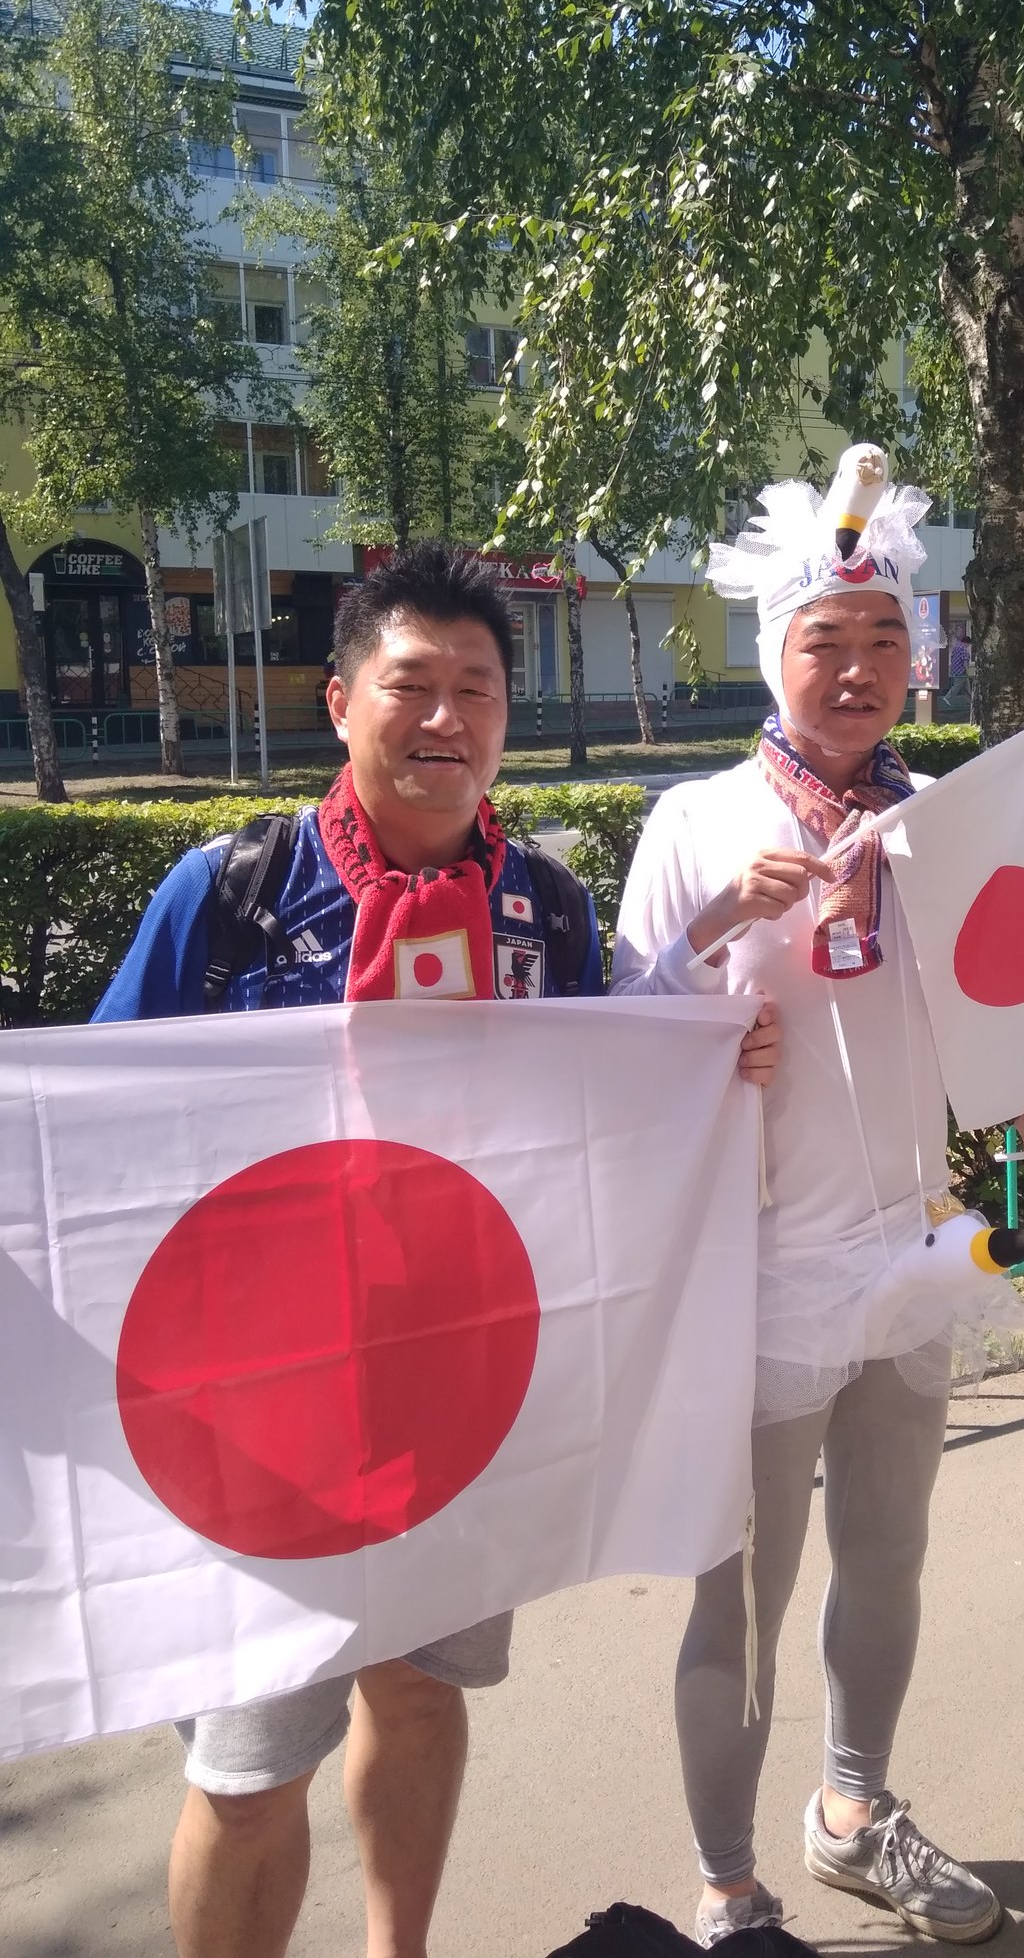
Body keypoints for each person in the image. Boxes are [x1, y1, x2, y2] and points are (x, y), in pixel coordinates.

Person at [92, 540, 780, 1958]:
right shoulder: (232, 892)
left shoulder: (546, 905)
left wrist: (708, 1061)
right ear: (340, 702)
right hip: (257, 1420)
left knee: (418, 1692)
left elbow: (601, 1113)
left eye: (478, 687)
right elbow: (93, 1126)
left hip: (457, 1398)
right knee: (248, 1765)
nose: (446, 717)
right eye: (411, 682)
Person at [611, 449, 1024, 1949]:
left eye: (884, 638)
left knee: (889, 1554)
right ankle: (727, 1882)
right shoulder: (696, 824)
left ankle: (852, 1810)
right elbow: (615, 1044)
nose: (856, 669)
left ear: (920, 654)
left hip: (911, 1250)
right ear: (772, 655)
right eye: (824, 642)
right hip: (757, 1270)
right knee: (743, 1599)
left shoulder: (947, 824)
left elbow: (984, 1008)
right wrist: (719, 935)